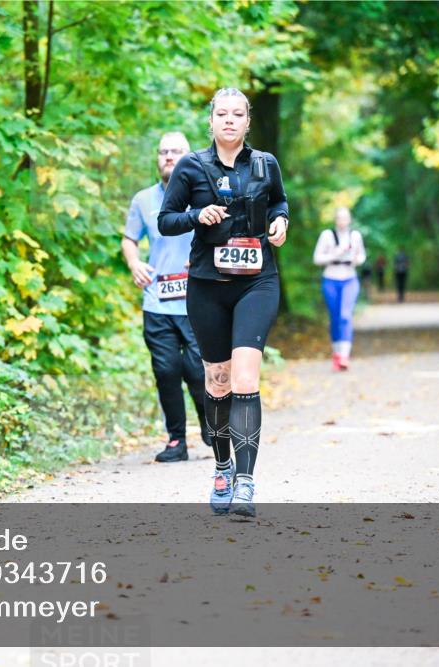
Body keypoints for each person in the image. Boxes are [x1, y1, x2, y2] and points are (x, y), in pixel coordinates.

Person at [158, 87, 289, 518]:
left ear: (248, 122)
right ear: (211, 121)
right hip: (208, 285)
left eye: (238, 114)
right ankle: (222, 467)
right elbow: (166, 220)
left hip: (257, 282)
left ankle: (247, 483)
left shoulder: (265, 163)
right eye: (222, 114)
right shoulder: (190, 167)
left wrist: (280, 222)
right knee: (218, 381)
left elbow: (279, 203)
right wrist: (198, 216)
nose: (229, 121)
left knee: (246, 378)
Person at [122, 132, 210, 463]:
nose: (169, 156)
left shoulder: (205, 194)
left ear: (190, 157)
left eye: (176, 151)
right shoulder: (143, 200)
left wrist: (206, 256)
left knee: (198, 370)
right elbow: (130, 239)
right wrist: (134, 262)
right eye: (163, 151)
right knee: (167, 370)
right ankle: (176, 441)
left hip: (197, 301)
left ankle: (208, 425)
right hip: (157, 301)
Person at [313, 207, 366, 371]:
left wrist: (357, 259)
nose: (342, 221)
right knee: (335, 317)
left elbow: (362, 256)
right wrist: (335, 254)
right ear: (335, 220)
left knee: (345, 316)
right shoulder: (327, 235)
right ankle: (336, 353)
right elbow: (317, 258)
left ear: (349, 219)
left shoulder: (355, 236)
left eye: (345, 218)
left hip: (350, 278)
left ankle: (344, 355)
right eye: (339, 218)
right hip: (330, 278)